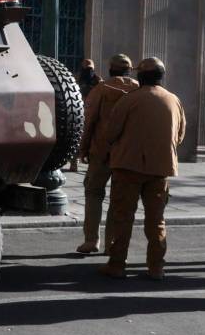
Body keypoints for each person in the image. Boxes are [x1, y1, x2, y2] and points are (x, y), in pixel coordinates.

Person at [98, 57, 185, 280]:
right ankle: (156, 267)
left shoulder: (129, 100)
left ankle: (117, 264)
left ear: (140, 76)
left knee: (123, 217)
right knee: (156, 220)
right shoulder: (174, 100)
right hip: (160, 168)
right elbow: (180, 135)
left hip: (128, 166)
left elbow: (111, 133)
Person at [74, 54, 138, 254]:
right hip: (127, 153)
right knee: (118, 198)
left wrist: (82, 149)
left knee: (94, 194)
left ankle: (92, 240)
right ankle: (112, 243)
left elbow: (89, 120)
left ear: (110, 69)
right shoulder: (139, 90)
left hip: (101, 151)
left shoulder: (101, 89)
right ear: (129, 70)